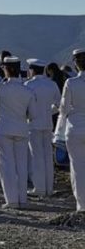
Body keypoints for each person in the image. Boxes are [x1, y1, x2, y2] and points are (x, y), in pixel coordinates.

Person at [0, 55, 34, 209]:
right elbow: (32, 114)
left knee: (6, 165)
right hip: (21, 129)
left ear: (5, 69)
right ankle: (23, 199)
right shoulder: (27, 90)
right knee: (21, 165)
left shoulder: (1, 87)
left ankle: (11, 200)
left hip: (3, 128)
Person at [24, 58, 60, 197]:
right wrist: (47, 112)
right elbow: (58, 105)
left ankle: (39, 187)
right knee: (47, 156)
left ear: (31, 70)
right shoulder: (52, 85)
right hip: (47, 123)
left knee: (36, 156)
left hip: (33, 124)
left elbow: (25, 107)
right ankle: (49, 188)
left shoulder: (28, 85)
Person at [60, 48, 85, 212]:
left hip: (75, 128)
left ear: (76, 64)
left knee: (77, 167)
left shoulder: (71, 83)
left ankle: (82, 204)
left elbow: (64, 108)